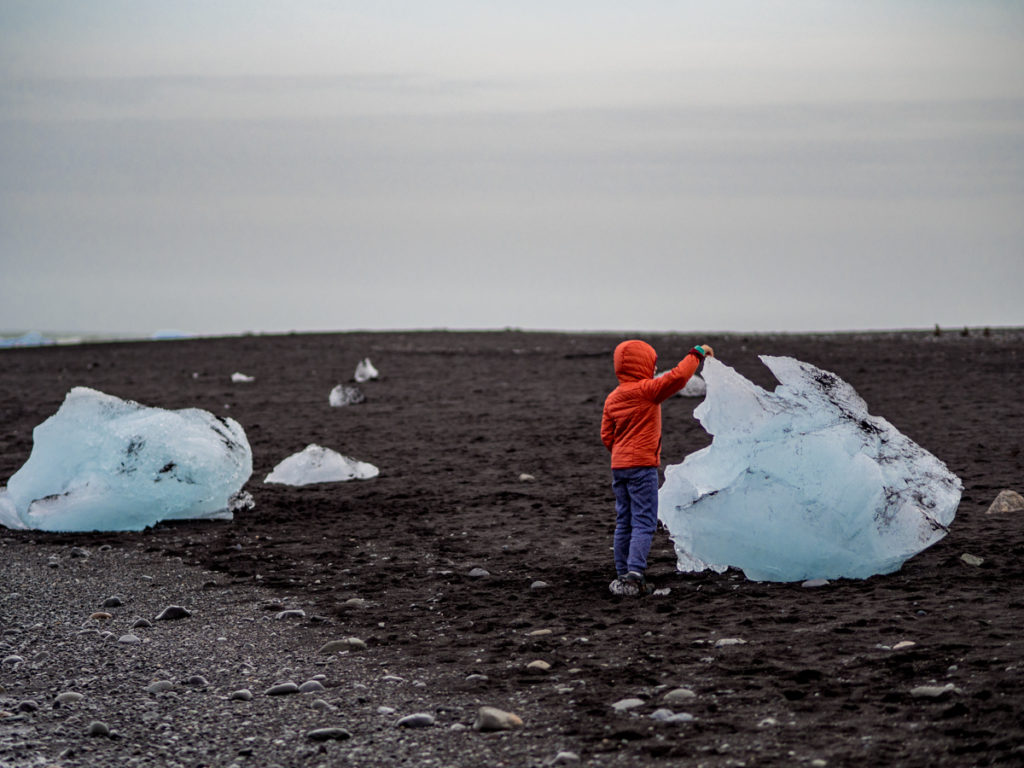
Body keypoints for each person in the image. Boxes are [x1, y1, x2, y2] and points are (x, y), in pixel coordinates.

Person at [601, 339, 713, 596]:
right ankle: (635, 574)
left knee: (624, 520)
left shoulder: (613, 397)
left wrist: (621, 454)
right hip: (642, 467)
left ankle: (622, 573)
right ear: (644, 366)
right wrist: (697, 353)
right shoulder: (647, 390)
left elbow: (607, 435)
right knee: (644, 521)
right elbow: (677, 378)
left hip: (619, 467)